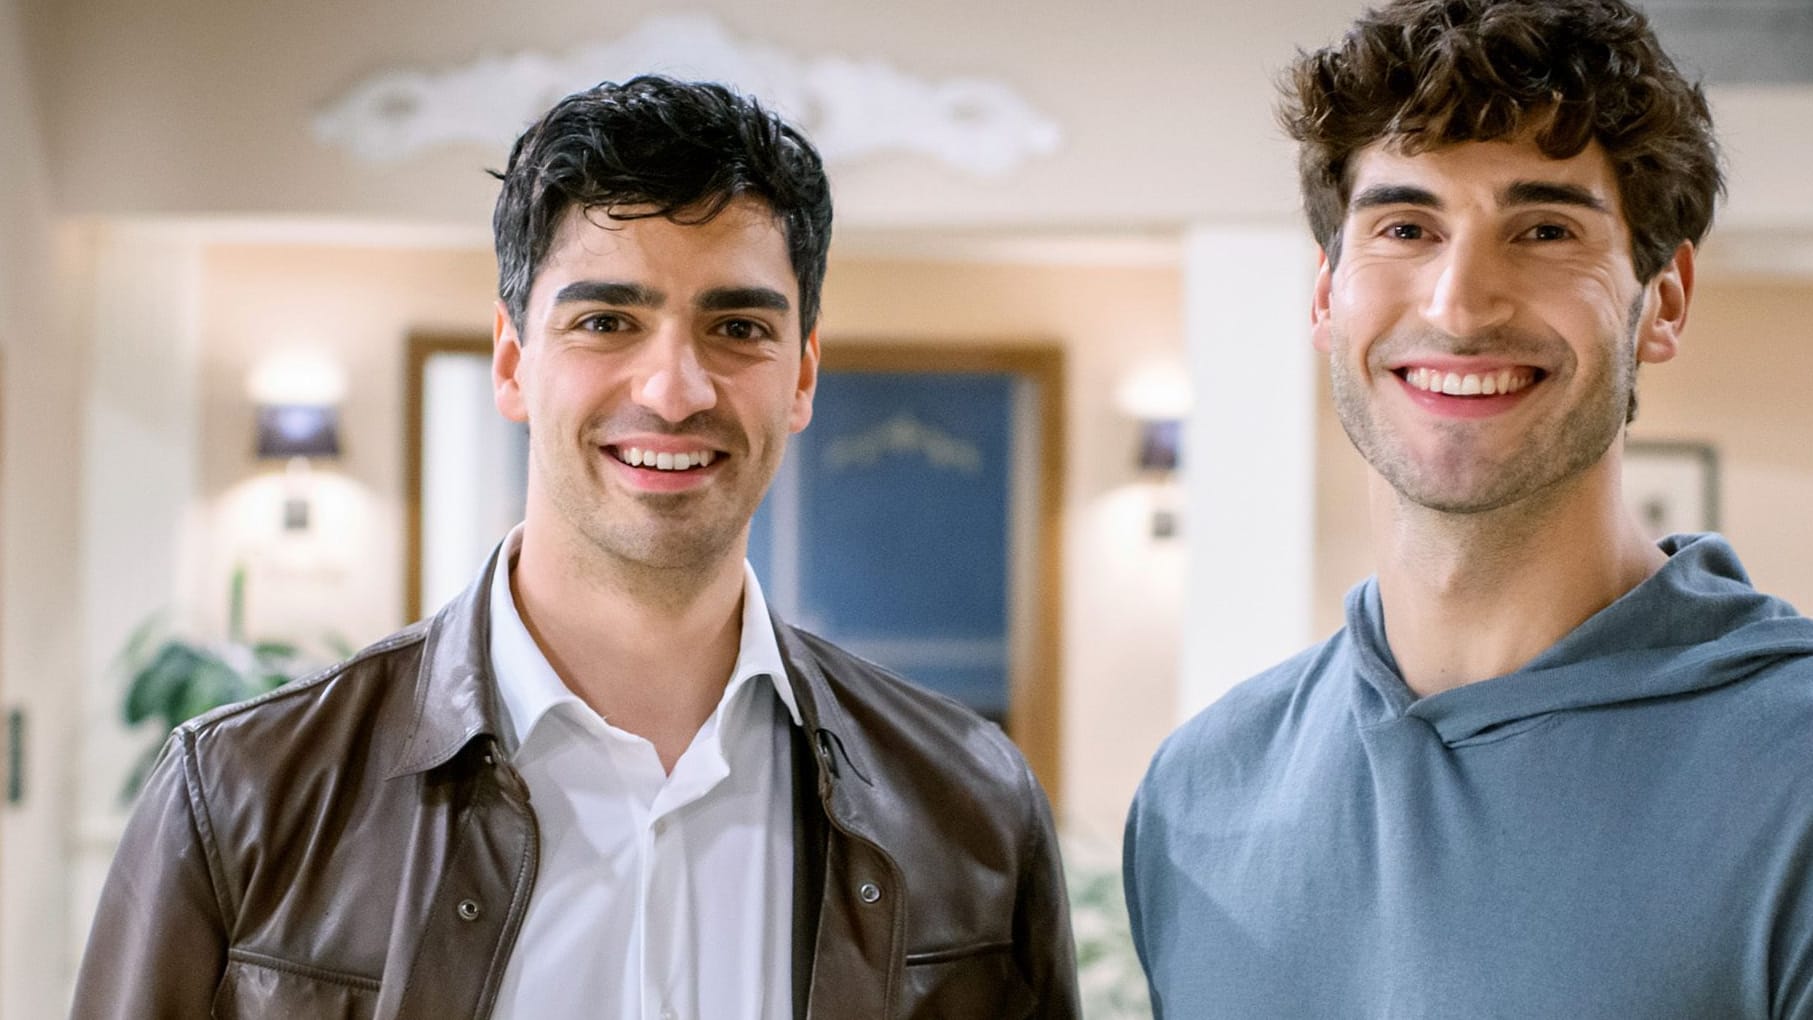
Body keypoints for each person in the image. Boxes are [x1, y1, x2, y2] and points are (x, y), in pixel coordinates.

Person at [74, 76, 1078, 1019]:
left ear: (801, 377)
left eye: (736, 327)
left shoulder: (971, 809)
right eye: (606, 320)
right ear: (513, 364)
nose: (674, 390)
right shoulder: (243, 793)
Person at [1124, 0, 1813, 1015]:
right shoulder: (1198, 791)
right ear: (1325, 296)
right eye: (1405, 227)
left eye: (1543, 229)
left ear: (1662, 302)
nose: (1457, 303)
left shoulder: (1792, 775)